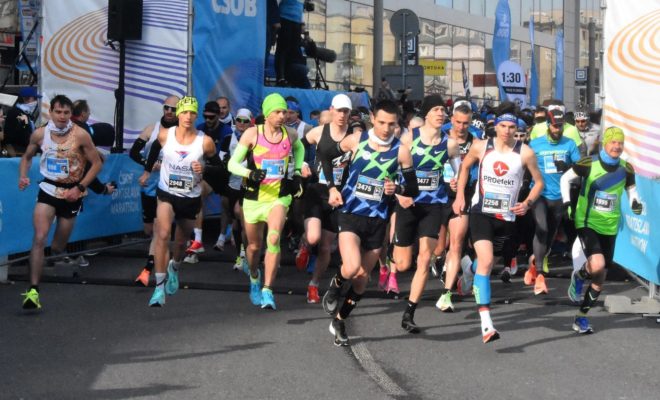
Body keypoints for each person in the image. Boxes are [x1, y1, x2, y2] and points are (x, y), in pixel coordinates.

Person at [320, 99, 417, 346]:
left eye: (391, 124)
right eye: (381, 122)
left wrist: (397, 188)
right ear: (372, 118)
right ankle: (335, 286)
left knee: (363, 279)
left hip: (377, 220)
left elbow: (413, 188)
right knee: (352, 267)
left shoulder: (402, 151)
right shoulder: (357, 140)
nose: (386, 128)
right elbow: (325, 154)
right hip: (350, 213)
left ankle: (339, 320)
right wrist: (332, 188)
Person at [453, 102, 544, 343]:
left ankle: (468, 272)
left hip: (507, 217)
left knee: (487, 262)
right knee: (486, 262)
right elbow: (464, 168)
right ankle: (487, 324)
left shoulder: (525, 153)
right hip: (481, 213)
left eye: (511, 127)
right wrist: (460, 195)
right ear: (496, 127)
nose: (506, 130)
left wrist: (527, 203)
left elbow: (539, 182)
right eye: (503, 126)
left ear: (517, 129)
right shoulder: (481, 146)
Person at [18, 95, 103, 309]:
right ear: (51, 112)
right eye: (58, 112)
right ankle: (33, 291)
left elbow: (96, 164)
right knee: (39, 238)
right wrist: (23, 175)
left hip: (71, 193)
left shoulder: (81, 135)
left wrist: (79, 188)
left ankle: (58, 253)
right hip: (48, 189)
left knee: (57, 246)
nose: (62, 116)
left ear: (70, 114)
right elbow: (27, 157)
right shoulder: (40, 134)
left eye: (66, 112)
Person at [228, 93, 306, 310]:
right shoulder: (253, 134)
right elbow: (232, 164)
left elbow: (299, 148)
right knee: (254, 247)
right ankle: (254, 276)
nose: (282, 116)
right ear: (267, 113)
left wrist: (297, 172)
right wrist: (249, 173)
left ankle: (268, 290)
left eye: (284, 112)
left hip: (279, 196)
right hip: (254, 198)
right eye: (277, 112)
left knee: (273, 238)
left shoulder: (290, 134)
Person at [561, 127, 643, 334]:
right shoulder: (588, 163)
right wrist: (567, 203)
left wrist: (635, 203)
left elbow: (632, 191)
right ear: (605, 143)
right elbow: (565, 179)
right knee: (597, 264)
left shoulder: (626, 168)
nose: (617, 146)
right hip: (587, 221)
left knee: (600, 277)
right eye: (613, 142)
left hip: (610, 225)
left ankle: (581, 316)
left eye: (620, 143)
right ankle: (580, 276)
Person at [140, 96, 219, 307]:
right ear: (178, 114)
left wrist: (205, 168)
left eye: (192, 113)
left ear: (196, 115)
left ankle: (174, 266)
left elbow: (220, 167)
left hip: (190, 197)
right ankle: (159, 287)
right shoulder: (165, 135)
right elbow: (154, 149)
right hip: (166, 192)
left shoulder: (205, 141)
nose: (188, 116)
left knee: (181, 243)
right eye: (184, 112)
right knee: (163, 233)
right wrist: (147, 171)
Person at [392, 95, 460, 332]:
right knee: (402, 264)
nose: (441, 113)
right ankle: (392, 253)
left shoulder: (450, 144)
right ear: (427, 114)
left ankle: (409, 313)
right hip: (408, 204)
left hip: (433, 205)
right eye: (436, 110)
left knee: (424, 258)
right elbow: (390, 166)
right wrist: (399, 195)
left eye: (443, 110)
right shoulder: (409, 138)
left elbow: (459, 171)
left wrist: (455, 182)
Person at [297, 94, 352, 303]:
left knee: (326, 246)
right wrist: (302, 163)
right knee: (313, 238)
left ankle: (314, 284)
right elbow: (298, 147)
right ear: (331, 110)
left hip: (339, 196)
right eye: (339, 111)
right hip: (318, 191)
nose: (342, 115)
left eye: (346, 111)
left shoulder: (353, 136)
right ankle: (304, 243)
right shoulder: (319, 131)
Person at [525, 109, 581, 294]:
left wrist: (568, 167)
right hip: (539, 194)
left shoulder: (569, 144)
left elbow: (581, 168)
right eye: (555, 126)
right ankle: (540, 275)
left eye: (561, 126)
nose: (558, 129)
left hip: (559, 196)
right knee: (542, 228)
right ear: (548, 125)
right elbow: (524, 165)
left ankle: (535, 263)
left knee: (549, 236)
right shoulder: (536, 144)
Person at [435, 103, 480, 311]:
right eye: (458, 122)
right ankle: (442, 261)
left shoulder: (476, 141)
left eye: (466, 123)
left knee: (456, 243)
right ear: (451, 120)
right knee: (438, 248)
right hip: (437, 194)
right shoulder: (440, 136)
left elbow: (478, 169)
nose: (461, 127)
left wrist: (462, 182)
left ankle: (447, 293)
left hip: (462, 195)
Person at [131, 95, 180, 286]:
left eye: (173, 109)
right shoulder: (152, 129)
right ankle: (163, 258)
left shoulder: (181, 133)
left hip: (167, 187)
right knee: (149, 230)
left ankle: (148, 269)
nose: (169, 111)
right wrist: (148, 165)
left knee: (160, 230)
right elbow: (133, 153)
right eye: (166, 107)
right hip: (149, 185)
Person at [4, 87, 40, 157]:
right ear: (26, 99)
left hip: (25, 150)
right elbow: (20, 134)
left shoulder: (25, 113)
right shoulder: (16, 113)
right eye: (35, 99)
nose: (36, 101)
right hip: (19, 152)